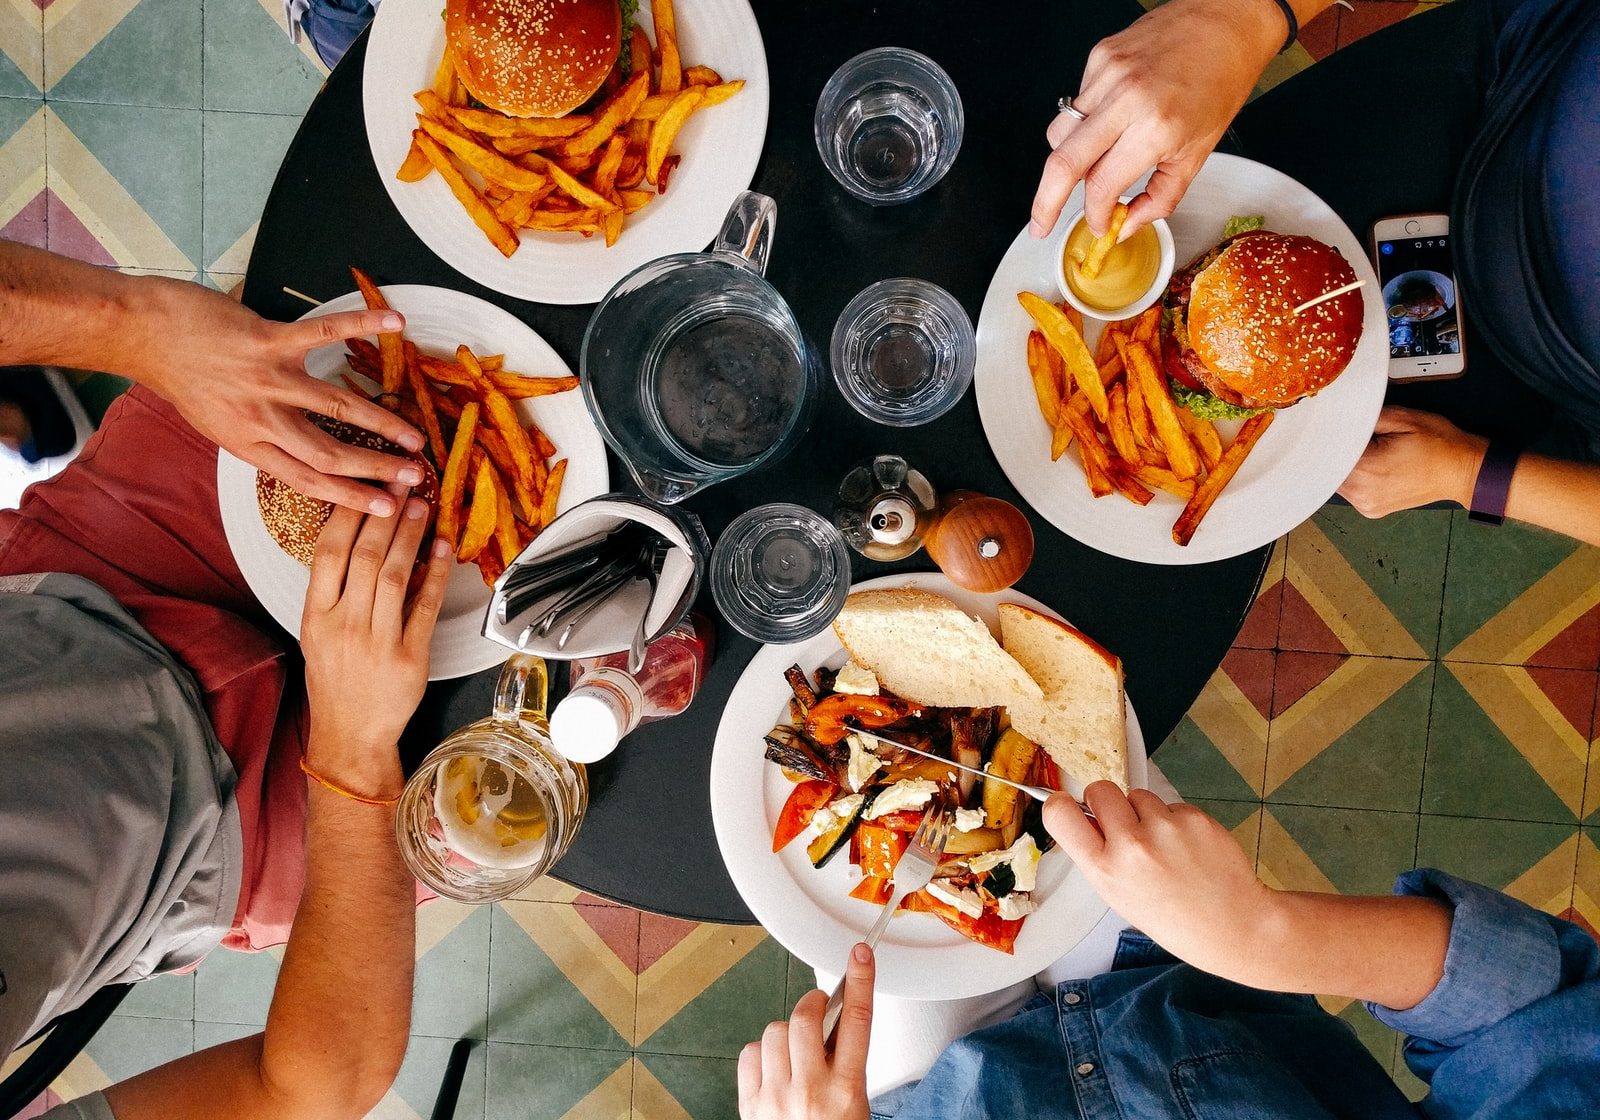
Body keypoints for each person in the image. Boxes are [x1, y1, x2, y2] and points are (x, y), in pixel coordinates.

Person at [0, 240, 438, 1095]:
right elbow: (306, 1092)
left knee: (374, 283)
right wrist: (352, 755)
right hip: (237, 846)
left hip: (79, 587)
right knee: (618, 684)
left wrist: (136, 328)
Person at [1028, 0, 1600, 547]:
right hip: (1508, 66)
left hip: (1533, 385)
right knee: (1228, 143)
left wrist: (1475, 476)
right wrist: (1242, 19)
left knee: (1324, 464)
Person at [739, 783, 1600, 1119]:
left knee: (844, 864)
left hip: (926, 1093)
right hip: (1193, 978)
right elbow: (1542, 1011)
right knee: (1066, 752)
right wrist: (1265, 933)